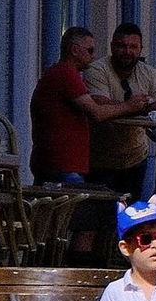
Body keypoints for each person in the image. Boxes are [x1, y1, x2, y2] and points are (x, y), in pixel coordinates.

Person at [30, 27, 148, 185]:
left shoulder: (61, 73)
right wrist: (129, 106)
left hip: (58, 165)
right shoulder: (66, 74)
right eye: (90, 50)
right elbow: (96, 112)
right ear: (75, 50)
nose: (93, 56)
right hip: (62, 166)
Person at [84, 23, 156, 197]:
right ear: (112, 46)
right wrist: (144, 107)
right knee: (102, 212)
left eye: (133, 47)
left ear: (140, 49)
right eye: (122, 46)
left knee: (133, 211)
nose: (127, 51)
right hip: (100, 161)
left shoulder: (148, 73)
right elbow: (100, 105)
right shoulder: (96, 70)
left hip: (135, 159)